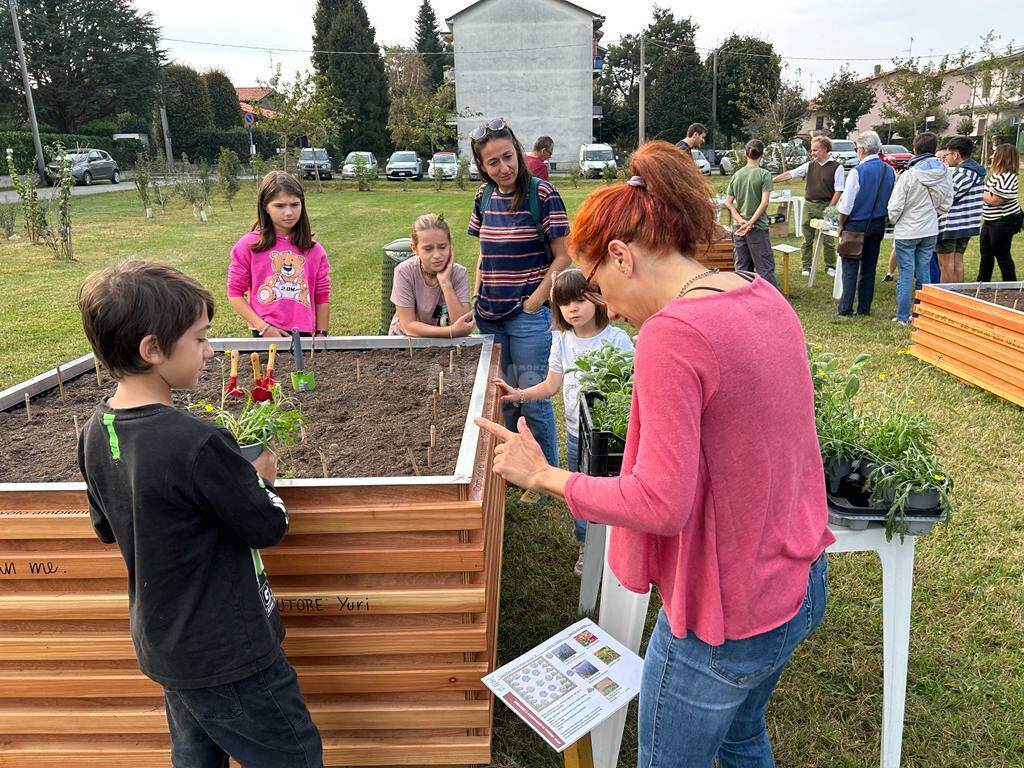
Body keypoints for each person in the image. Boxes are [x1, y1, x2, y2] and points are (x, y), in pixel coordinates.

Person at [474, 140, 832, 768]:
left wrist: (545, 475)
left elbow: (659, 501)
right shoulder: (760, 294)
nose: (607, 307)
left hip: (726, 613)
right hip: (799, 582)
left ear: (621, 255)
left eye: (602, 285)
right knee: (743, 738)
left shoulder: (673, 335)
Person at [76, 260, 323, 767]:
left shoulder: (96, 432)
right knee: (293, 756)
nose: (210, 352)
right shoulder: (199, 443)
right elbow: (267, 524)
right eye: (200, 339)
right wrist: (262, 479)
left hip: (166, 645)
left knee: (195, 756)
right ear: (151, 350)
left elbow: (107, 527)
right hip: (231, 653)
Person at [490, 268, 633, 576]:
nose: (573, 309)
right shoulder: (563, 341)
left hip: (611, 437)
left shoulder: (617, 340)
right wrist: (517, 394)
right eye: (565, 303)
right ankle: (586, 545)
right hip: (575, 435)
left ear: (597, 299)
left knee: (613, 493)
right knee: (580, 492)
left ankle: (620, 546)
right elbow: (550, 386)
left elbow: (631, 388)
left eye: (580, 300)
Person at [468, 117, 572, 488]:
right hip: (489, 316)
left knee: (533, 398)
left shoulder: (542, 195)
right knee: (505, 396)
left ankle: (545, 478)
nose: (504, 168)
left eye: (508, 157)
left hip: (526, 318)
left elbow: (564, 256)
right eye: (492, 162)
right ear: (482, 166)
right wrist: (478, 293)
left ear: (518, 151)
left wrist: (534, 302)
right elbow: (484, 252)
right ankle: (516, 472)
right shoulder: (483, 197)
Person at [228, 171, 331, 338]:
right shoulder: (249, 246)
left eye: (295, 204)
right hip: (266, 333)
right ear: (265, 206)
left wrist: (321, 334)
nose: (289, 212)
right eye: (280, 206)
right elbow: (234, 294)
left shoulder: (314, 250)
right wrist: (263, 328)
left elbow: (322, 295)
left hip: (305, 336)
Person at [886, 132, 953, 324]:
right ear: (934, 149)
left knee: (906, 273)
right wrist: (934, 213)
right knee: (924, 271)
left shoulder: (908, 175)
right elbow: (947, 202)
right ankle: (923, 313)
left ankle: (903, 316)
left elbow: (895, 206)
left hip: (907, 230)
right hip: (930, 229)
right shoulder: (945, 173)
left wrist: (895, 220)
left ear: (915, 150)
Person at [835, 131, 896, 317]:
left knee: (850, 268)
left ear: (861, 149)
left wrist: (840, 224)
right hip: (878, 224)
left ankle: (845, 309)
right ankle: (864, 308)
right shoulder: (890, 170)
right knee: (869, 267)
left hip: (856, 224)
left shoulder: (857, 171)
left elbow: (847, 204)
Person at [389, 213, 474, 337]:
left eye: (442, 247)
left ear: (451, 245)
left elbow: (464, 322)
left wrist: (446, 283)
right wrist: (451, 331)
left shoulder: (459, 273)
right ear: (414, 249)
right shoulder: (404, 272)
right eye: (428, 249)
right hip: (406, 341)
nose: (437, 255)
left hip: (443, 343)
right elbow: (409, 326)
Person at [773, 135, 844, 278]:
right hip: (809, 205)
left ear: (825, 149)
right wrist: (772, 180)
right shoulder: (809, 165)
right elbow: (791, 174)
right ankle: (806, 266)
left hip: (828, 206)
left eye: (815, 150)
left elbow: (839, 190)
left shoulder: (837, 167)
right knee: (807, 238)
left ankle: (830, 266)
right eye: (812, 150)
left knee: (828, 239)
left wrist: (830, 209)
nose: (812, 153)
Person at [724, 139, 777, 287]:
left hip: (739, 228)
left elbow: (728, 202)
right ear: (762, 154)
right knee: (765, 267)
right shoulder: (764, 174)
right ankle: (770, 301)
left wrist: (741, 220)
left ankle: (742, 300)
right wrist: (750, 223)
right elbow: (764, 202)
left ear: (745, 154)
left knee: (741, 268)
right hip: (757, 228)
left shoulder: (737, 175)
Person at [936, 136, 986, 283]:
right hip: (967, 224)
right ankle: (958, 295)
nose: (946, 159)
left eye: (947, 155)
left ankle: (945, 298)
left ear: (956, 155)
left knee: (945, 264)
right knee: (958, 262)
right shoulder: (978, 170)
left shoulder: (963, 173)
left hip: (950, 225)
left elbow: (948, 196)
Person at [978, 143, 1022, 282]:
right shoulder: (997, 175)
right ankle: (982, 283)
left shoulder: (1008, 177)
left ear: (1002, 157)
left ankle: (1010, 285)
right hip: (990, 220)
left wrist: (979, 190)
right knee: (986, 254)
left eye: (994, 154)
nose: (991, 156)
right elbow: (989, 196)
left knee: (1002, 254)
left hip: (1003, 221)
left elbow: (994, 200)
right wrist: (984, 192)